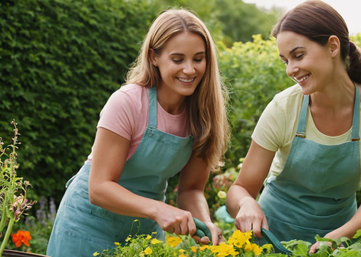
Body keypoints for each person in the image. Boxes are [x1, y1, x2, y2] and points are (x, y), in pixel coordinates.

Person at [46, 9, 229, 256]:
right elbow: (99, 187)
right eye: (177, 59)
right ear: (154, 57)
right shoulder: (127, 103)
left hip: (142, 231)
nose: (189, 70)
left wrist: (204, 221)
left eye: (198, 59)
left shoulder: (203, 115)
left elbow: (191, 190)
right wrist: (159, 209)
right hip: (87, 225)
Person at [226, 0, 361, 254]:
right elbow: (240, 188)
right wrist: (246, 204)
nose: (290, 69)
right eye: (285, 60)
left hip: (342, 242)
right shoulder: (284, 107)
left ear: (333, 46)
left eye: (298, 56)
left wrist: (338, 237)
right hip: (272, 239)